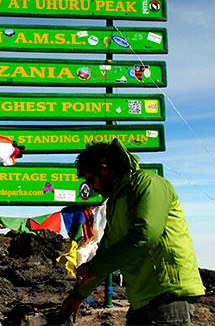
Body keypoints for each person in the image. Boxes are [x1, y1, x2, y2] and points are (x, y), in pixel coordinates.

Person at [60, 139, 205, 326]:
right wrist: (78, 295)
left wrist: (94, 268)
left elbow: (145, 235)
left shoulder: (149, 184)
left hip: (168, 290)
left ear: (104, 169)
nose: (92, 187)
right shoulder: (116, 200)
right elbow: (107, 250)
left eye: (91, 179)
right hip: (142, 295)